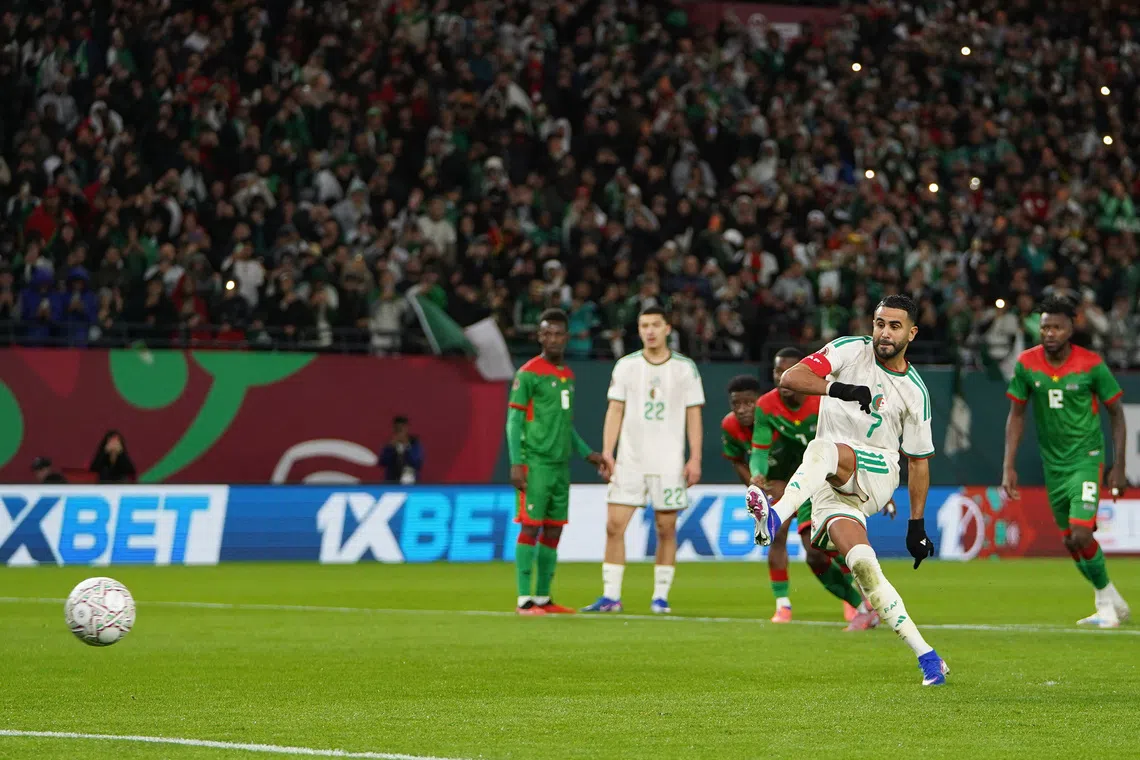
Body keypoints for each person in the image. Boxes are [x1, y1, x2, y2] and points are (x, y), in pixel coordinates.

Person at [748, 295, 949, 686]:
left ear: (912, 332)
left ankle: (775, 515)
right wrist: (840, 389)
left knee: (820, 448)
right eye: (879, 323)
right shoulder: (848, 350)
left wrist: (916, 523)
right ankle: (928, 657)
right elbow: (791, 378)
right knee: (863, 566)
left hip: (877, 471)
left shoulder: (915, 392)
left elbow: (919, 461)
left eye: (894, 326)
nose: (884, 332)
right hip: (830, 481)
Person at [1002, 296, 1131, 627]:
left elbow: (1117, 414)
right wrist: (1008, 466)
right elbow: (1016, 414)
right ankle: (1111, 597)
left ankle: (1104, 605)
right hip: (1053, 466)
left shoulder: (1091, 364)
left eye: (1057, 327)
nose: (1049, 333)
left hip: (1086, 459)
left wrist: (1119, 466)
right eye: (1045, 326)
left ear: (1071, 328)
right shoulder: (1027, 364)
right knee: (1070, 541)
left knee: (1081, 533)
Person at [745, 349, 879, 628]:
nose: (782, 378)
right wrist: (757, 474)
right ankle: (854, 606)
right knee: (794, 543)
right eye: (777, 372)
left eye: (788, 371)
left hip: (824, 479)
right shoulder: (767, 405)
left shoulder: (822, 403)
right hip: (791, 480)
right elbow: (759, 448)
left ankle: (866, 596)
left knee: (823, 548)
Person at [583, 306, 705, 614]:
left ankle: (660, 597)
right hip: (629, 460)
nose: (649, 331)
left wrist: (695, 458)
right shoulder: (626, 366)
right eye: (643, 326)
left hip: (668, 461)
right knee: (614, 525)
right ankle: (611, 596)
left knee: (666, 529)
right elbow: (615, 410)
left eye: (654, 325)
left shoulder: (684, 368)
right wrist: (608, 452)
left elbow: (694, 414)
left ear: (667, 328)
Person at [506, 308, 606, 615]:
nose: (553, 339)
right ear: (539, 336)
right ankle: (524, 600)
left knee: (553, 530)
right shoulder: (528, 373)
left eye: (558, 334)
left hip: (561, 467)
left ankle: (544, 598)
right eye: (547, 333)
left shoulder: (567, 376)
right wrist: (516, 463)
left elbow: (566, 424)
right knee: (531, 527)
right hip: (535, 464)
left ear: (567, 337)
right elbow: (514, 422)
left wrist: (588, 453)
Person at [379, 416, 424, 484]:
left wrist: (407, 447)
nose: (399, 431)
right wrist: (390, 447)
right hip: (392, 482)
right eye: (397, 429)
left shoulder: (414, 444)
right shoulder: (390, 445)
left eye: (401, 429)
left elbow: (417, 463)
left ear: (406, 428)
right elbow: (382, 462)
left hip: (411, 481)